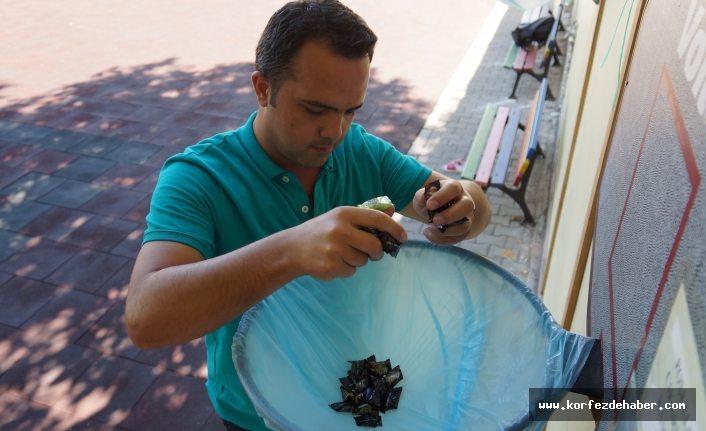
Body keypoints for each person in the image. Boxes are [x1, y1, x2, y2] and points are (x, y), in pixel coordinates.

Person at [126, 1, 491, 430]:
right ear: (263, 88)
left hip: (355, 398)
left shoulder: (362, 151)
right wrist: (293, 250)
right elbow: (146, 320)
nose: (334, 131)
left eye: (351, 110)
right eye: (315, 110)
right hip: (256, 411)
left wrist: (462, 204)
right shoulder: (199, 178)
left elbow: (468, 203)